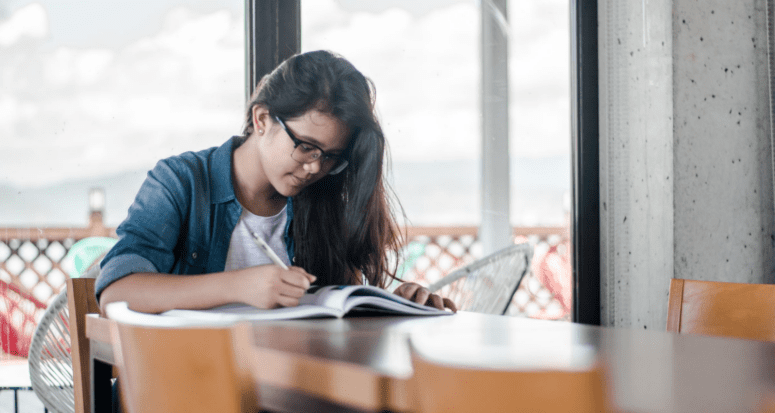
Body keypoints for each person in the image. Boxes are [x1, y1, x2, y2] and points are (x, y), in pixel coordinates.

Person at [96, 50, 457, 314]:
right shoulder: (182, 181)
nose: (315, 168)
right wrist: (240, 285)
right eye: (306, 147)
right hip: (184, 382)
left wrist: (400, 303)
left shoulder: (321, 199)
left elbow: (339, 311)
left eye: (330, 156)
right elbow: (117, 292)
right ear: (263, 118)